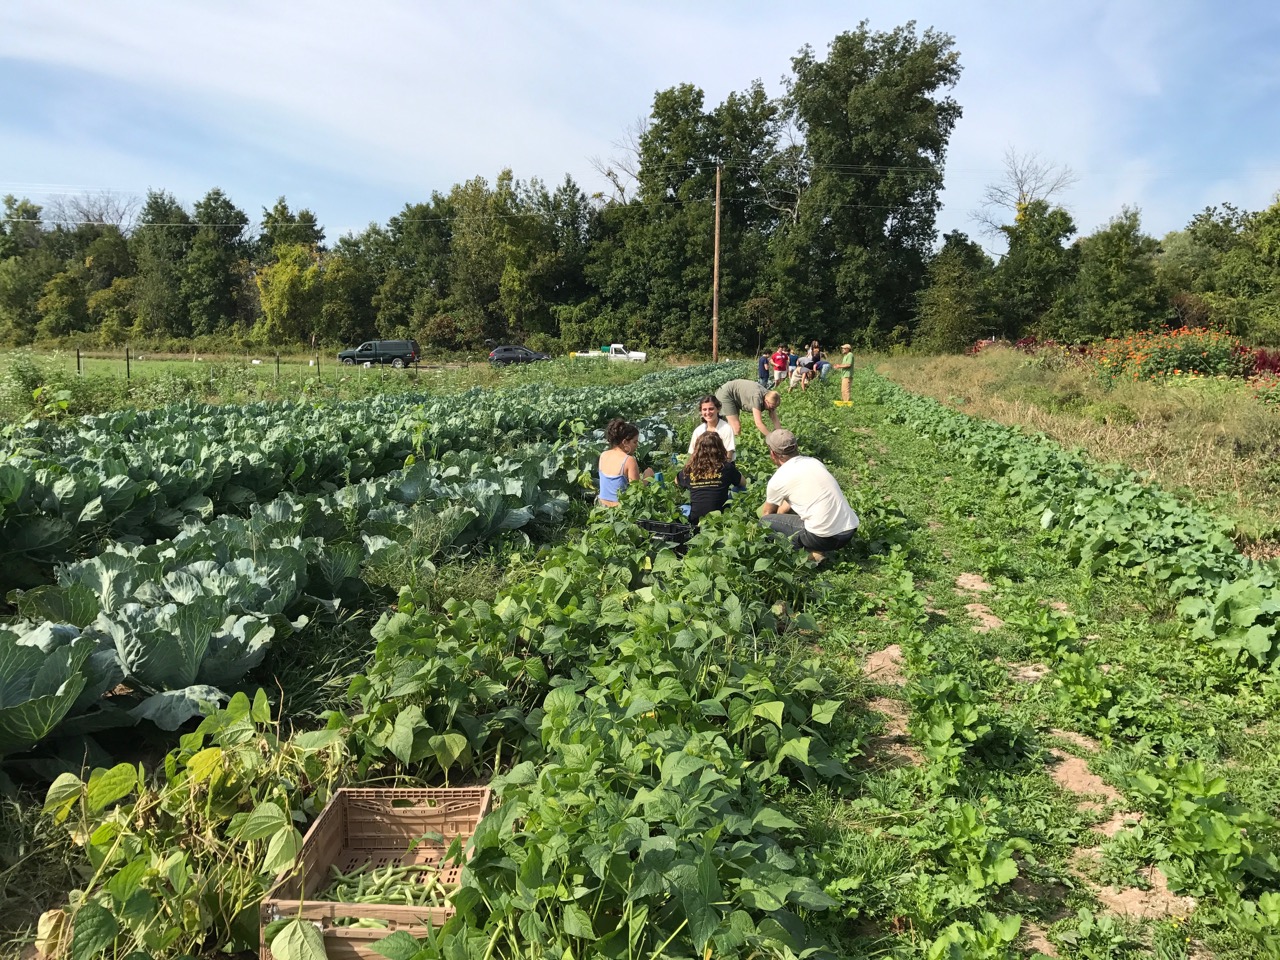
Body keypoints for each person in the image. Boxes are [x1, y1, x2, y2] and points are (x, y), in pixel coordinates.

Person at [760, 428, 858, 563]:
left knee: (763, 523)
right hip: (848, 531)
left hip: (824, 537)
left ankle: (805, 556)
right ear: (796, 447)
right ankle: (816, 549)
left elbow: (766, 514)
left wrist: (776, 521)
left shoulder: (778, 479)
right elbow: (790, 501)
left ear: (772, 454)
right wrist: (781, 516)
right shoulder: (813, 462)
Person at [678, 432, 744, 525]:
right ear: (720, 448)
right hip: (719, 518)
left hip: (696, 520)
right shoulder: (726, 467)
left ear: (697, 450)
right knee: (740, 488)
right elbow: (743, 483)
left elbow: (676, 481)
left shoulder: (690, 469)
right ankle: (733, 514)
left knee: (683, 507)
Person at [597, 418, 654, 507]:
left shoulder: (603, 455)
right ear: (624, 442)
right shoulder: (628, 460)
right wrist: (647, 477)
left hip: (601, 506)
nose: (637, 445)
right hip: (619, 508)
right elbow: (636, 490)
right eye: (634, 442)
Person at [714, 379, 782, 437]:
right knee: (736, 428)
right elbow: (758, 423)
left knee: (730, 425)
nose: (772, 409)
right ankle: (734, 448)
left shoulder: (770, 396)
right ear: (766, 401)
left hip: (734, 394)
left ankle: (723, 441)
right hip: (726, 394)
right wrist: (771, 438)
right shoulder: (757, 398)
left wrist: (780, 434)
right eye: (772, 407)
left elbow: (774, 417)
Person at [688, 395, 736, 461]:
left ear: (718, 409)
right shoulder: (698, 431)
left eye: (711, 409)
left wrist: (720, 469)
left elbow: (729, 453)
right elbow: (693, 454)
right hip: (702, 466)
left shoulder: (726, 428)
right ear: (701, 411)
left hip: (723, 466)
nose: (708, 412)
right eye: (704, 409)